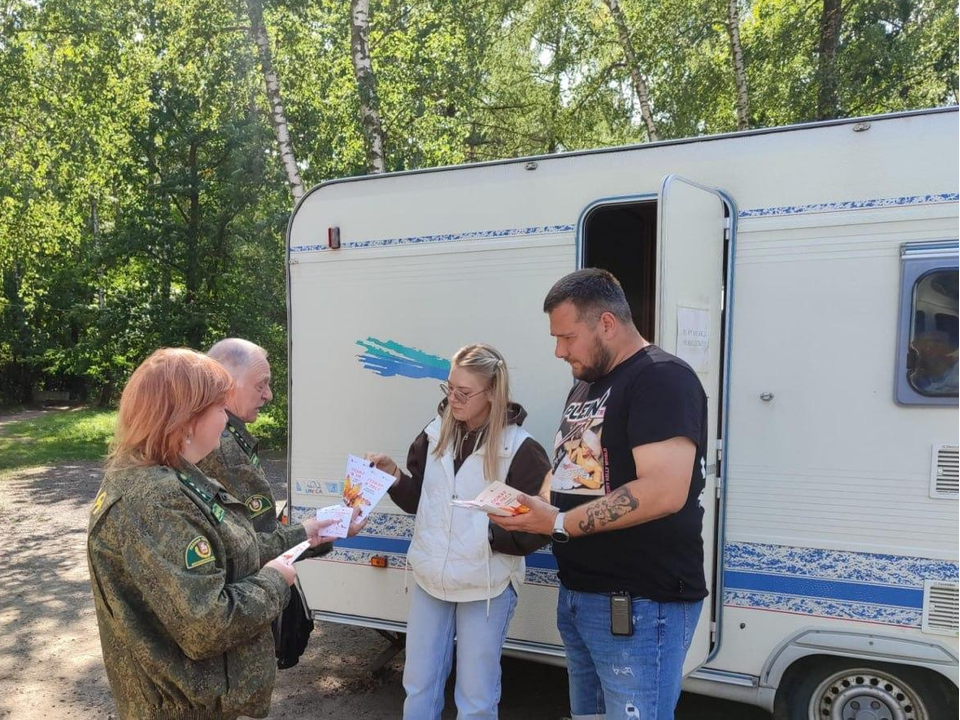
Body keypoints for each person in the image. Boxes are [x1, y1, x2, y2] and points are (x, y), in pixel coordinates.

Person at [492, 269, 709, 720]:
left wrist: (555, 523)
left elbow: (666, 490)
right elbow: (571, 472)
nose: (559, 350)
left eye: (568, 337)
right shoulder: (588, 383)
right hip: (582, 595)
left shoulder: (661, 378)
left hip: (641, 603)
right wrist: (532, 507)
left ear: (606, 324)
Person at [87, 348, 337, 719]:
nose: (227, 419)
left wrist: (304, 535)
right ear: (187, 420)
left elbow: (231, 553)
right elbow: (207, 624)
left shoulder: (167, 475)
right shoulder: (158, 500)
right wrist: (274, 581)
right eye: (220, 408)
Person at [366, 343, 552, 720]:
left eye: (464, 392)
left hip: (486, 585)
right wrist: (394, 478)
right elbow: (422, 500)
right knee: (418, 685)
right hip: (430, 578)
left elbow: (540, 526)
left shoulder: (521, 449)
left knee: (476, 696)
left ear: (493, 391)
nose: (453, 398)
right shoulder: (434, 435)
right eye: (449, 388)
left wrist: (489, 537)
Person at [199, 338, 362, 668]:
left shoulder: (229, 438)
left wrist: (320, 530)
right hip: (238, 609)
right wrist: (319, 532)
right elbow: (259, 544)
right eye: (261, 385)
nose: (269, 395)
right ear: (224, 383)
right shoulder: (225, 448)